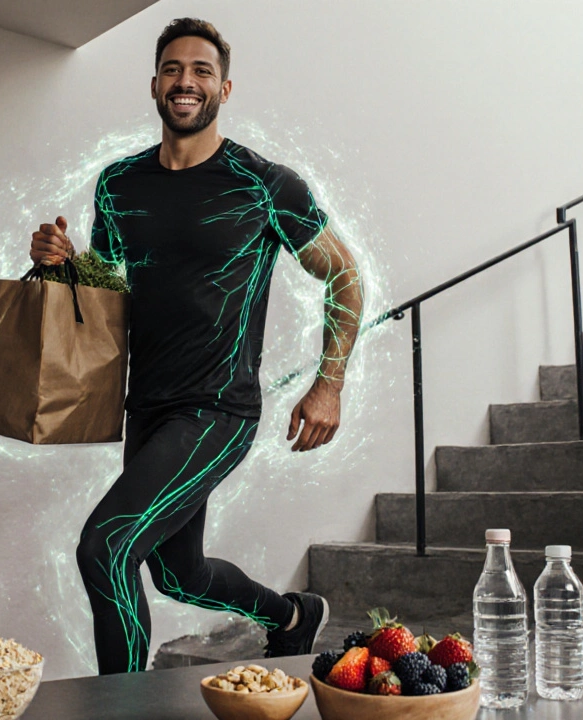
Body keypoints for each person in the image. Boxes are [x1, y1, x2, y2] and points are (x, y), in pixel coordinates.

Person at [30, 18, 363, 675]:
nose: (186, 81)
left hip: (219, 407)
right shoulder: (118, 184)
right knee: (179, 574)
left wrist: (329, 384)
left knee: (106, 547)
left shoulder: (264, 183)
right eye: (173, 69)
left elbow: (345, 274)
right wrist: (64, 264)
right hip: (148, 406)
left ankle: (122, 707)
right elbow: (111, 291)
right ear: (155, 84)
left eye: (201, 70)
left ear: (224, 88)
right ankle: (292, 617)